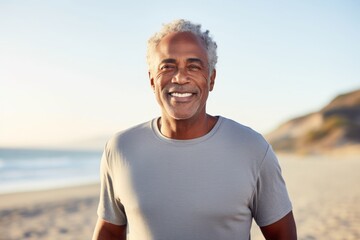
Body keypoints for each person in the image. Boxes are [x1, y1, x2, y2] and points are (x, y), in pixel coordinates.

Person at [92, 19, 297, 240]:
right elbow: (110, 231)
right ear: (152, 80)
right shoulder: (120, 148)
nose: (180, 78)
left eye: (194, 66)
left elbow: (281, 234)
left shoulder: (252, 148)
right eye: (167, 66)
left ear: (211, 79)